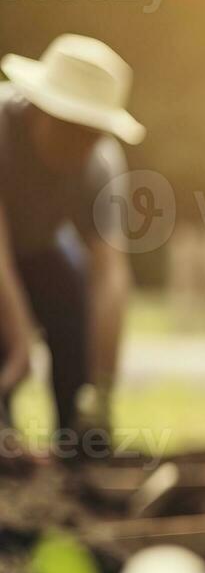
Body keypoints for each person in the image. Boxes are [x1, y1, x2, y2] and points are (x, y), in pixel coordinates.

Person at [0, 34, 141, 459]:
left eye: (92, 135)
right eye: (71, 130)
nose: (81, 147)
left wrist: (103, 387)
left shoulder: (101, 164)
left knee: (72, 295)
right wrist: (20, 341)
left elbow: (110, 275)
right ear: (41, 108)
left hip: (37, 249)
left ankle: (76, 442)